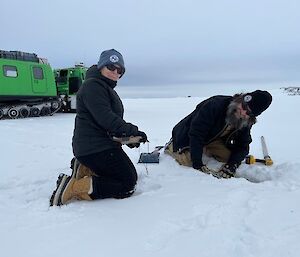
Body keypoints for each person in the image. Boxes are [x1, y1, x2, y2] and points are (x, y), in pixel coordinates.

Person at [50, 49, 147, 206]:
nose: (115, 72)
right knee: (126, 184)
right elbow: (106, 119)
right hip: (94, 148)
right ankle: (72, 187)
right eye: (111, 67)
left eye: (119, 70)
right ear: (101, 66)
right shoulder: (93, 86)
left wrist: (126, 139)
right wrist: (132, 130)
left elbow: (104, 125)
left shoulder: (102, 87)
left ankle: (84, 169)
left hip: (100, 145)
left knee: (129, 176)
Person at [164, 90, 272, 178]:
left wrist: (232, 165)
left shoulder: (245, 121)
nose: (243, 112)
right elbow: (196, 133)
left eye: (248, 113)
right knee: (187, 161)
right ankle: (171, 146)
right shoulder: (215, 105)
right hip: (187, 134)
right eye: (244, 107)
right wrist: (198, 164)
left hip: (212, 139)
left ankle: (204, 148)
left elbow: (243, 145)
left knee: (229, 158)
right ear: (240, 99)